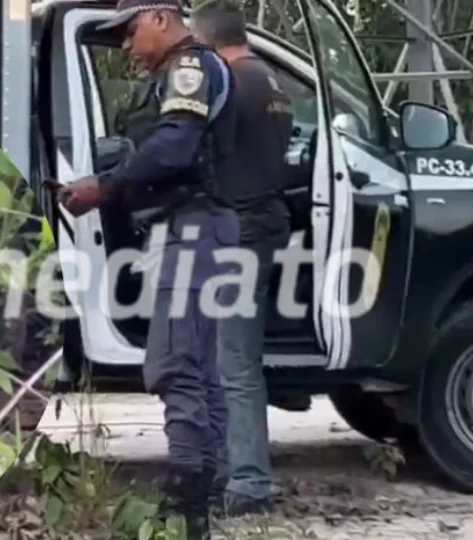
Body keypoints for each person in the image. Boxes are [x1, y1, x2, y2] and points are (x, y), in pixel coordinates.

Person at [54, 0, 240, 537]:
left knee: (175, 364)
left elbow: (175, 147)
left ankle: (186, 509)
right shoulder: (174, 74)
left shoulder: (190, 67)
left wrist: (104, 187)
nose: (127, 46)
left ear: (160, 18)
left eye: (131, 32)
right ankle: (201, 502)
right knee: (198, 369)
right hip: (196, 229)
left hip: (197, 229)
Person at [191, 0, 294, 517]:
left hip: (242, 231)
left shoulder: (230, 85)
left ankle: (250, 485)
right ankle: (231, 470)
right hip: (264, 222)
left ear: (208, 41)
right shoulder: (272, 83)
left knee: (234, 361)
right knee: (226, 357)